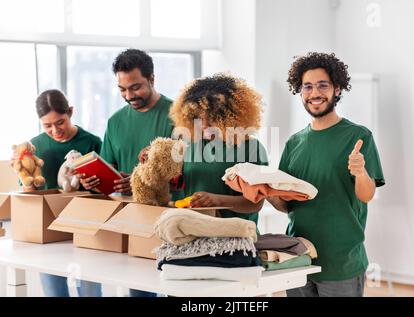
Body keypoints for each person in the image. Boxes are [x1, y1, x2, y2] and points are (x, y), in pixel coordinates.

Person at [268, 52, 385, 297]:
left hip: (341, 263)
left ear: (337, 89)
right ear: (300, 92)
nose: (314, 93)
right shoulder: (294, 143)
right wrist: (266, 193)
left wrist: (361, 171)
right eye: (307, 87)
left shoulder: (358, 136)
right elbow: (287, 205)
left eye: (323, 85)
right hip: (299, 258)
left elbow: (366, 195)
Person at [80, 48, 175, 297]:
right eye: (122, 89)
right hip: (129, 220)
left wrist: (141, 181)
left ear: (152, 79)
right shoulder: (115, 122)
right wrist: (95, 182)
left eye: (135, 87)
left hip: (168, 219)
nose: (128, 95)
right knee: (138, 292)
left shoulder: (177, 116)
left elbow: (186, 172)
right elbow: (109, 171)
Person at [24, 89, 102, 297]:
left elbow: (105, 192)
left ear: (71, 112)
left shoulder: (92, 142)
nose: (55, 130)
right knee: (54, 293)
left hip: (85, 229)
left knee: (90, 292)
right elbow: (29, 191)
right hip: (49, 229)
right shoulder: (35, 146)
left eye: (60, 122)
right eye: (47, 125)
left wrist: (91, 184)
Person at [169, 73, 268, 224]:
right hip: (193, 232)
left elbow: (255, 203)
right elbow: (176, 185)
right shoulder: (188, 143)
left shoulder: (250, 147)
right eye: (198, 118)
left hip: (236, 236)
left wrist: (217, 200)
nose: (204, 125)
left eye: (213, 118)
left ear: (231, 117)